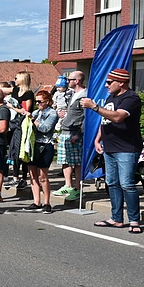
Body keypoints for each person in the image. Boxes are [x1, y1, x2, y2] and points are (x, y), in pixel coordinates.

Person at [80, 69, 144, 233]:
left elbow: (117, 117)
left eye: (109, 82)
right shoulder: (111, 97)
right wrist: (97, 139)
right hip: (109, 147)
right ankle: (116, 218)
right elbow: (106, 120)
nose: (106, 85)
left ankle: (134, 220)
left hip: (126, 148)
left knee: (127, 184)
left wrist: (94, 106)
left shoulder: (131, 98)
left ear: (121, 82)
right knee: (112, 183)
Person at [20, 90, 58, 214]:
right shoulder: (36, 112)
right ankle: (36, 202)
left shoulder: (52, 113)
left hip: (45, 145)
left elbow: (45, 128)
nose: (37, 104)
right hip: (33, 145)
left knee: (43, 176)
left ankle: (47, 203)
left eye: (40, 101)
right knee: (32, 175)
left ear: (47, 101)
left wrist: (32, 119)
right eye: (36, 101)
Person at [53, 71, 86, 202]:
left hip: (74, 132)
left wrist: (79, 134)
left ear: (77, 81)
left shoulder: (84, 96)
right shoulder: (71, 94)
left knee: (77, 162)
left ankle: (78, 188)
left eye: (69, 79)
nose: (67, 82)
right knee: (65, 160)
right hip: (65, 130)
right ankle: (68, 185)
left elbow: (87, 117)